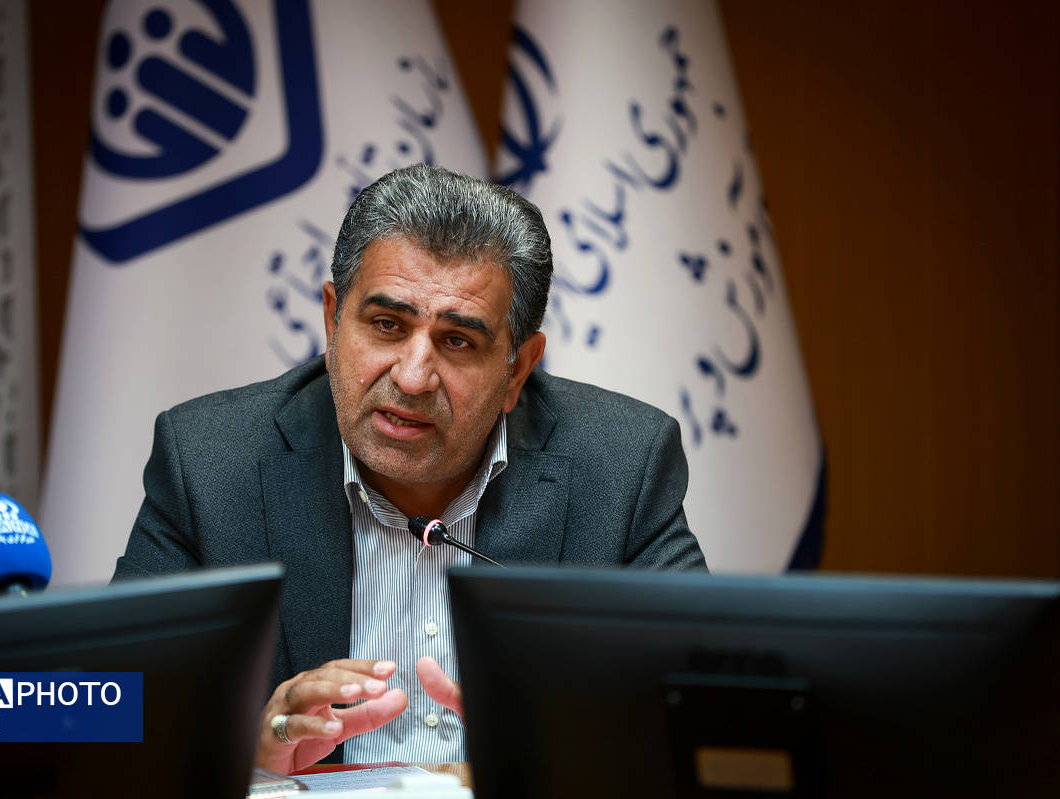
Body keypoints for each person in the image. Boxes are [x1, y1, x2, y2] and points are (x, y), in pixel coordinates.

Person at [113, 163, 706, 772]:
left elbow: (708, 713)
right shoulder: (211, 460)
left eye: (458, 341)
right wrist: (246, 751)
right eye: (387, 325)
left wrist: (557, 757)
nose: (413, 377)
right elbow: (90, 709)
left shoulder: (622, 466)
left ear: (518, 368)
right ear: (332, 321)